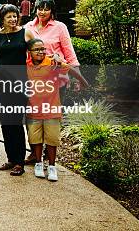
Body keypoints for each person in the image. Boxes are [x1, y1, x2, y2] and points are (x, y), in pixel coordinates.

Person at [23, 0, 82, 165]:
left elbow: (69, 54)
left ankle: (50, 157)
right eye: (40, 8)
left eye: (46, 8)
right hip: (33, 81)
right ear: (35, 8)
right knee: (32, 118)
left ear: (52, 10)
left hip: (56, 81)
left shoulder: (60, 27)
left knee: (51, 119)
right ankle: (35, 153)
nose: (42, 12)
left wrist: (77, 77)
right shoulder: (28, 27)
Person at [26, 38, 88, 181]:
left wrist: (83, 81)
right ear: (29, 52)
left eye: (43, 49)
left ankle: (52, 167)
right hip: (33, 109)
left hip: (51, 109)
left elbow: (70, 69)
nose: (41, 52)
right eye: (37, 49)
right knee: (35, 139)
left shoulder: (53, 63)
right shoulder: (26, 65)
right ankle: (38, 164)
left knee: (52, 139)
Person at [0, 4, 35, 176]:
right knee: (6, 122)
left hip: (20, 84)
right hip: (1, 85)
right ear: (2, 19)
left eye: (15, 16)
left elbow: (38, 52)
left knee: (16, 122)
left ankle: (19, 162)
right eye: (9, 17)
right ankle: (10, 159)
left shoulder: (26, 32)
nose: (13, 19)